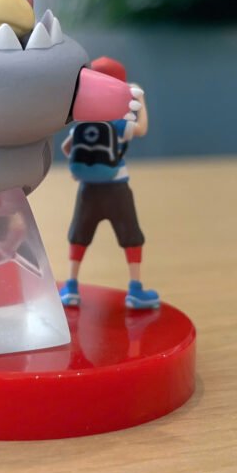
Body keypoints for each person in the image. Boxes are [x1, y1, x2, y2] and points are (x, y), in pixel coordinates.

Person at [59, 58, 160, 309]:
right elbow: (142, 129)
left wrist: (79, 167)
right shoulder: (118, 123)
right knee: (131, 236)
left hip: (87, 189)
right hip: (117, 188)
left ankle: (71, 287)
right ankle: (135, 290)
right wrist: (141, 102)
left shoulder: (83, 124)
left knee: (79, 235)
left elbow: (66, 148)